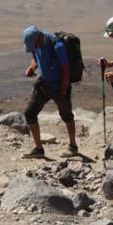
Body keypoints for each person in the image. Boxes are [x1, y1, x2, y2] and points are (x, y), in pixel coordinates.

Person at [21, 25, 77, 159]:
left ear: (40, 37)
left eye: (35, 44)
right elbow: (35, 56)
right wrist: (32, 67)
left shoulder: (57, 46)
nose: (35, 47)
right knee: (30, 113)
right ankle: (39, 149)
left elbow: (66, 71)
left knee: (66, 115)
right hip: (43, 84)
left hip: (59, 87)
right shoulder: (36, 43)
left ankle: (73, 146)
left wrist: (63, 90)